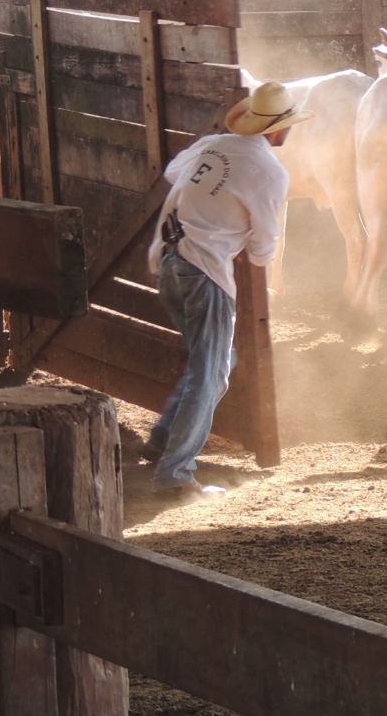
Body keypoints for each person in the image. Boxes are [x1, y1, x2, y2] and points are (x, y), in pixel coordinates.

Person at [142, 80, 312, 499]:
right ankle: (175, 476)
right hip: (205, 272)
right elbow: (263, 249)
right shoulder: (269, 171)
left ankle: (164, 439)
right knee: (212, 374)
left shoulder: (211, 145)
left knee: (214, 360)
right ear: (278, 129)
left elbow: (171, 173)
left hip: (167, 259)